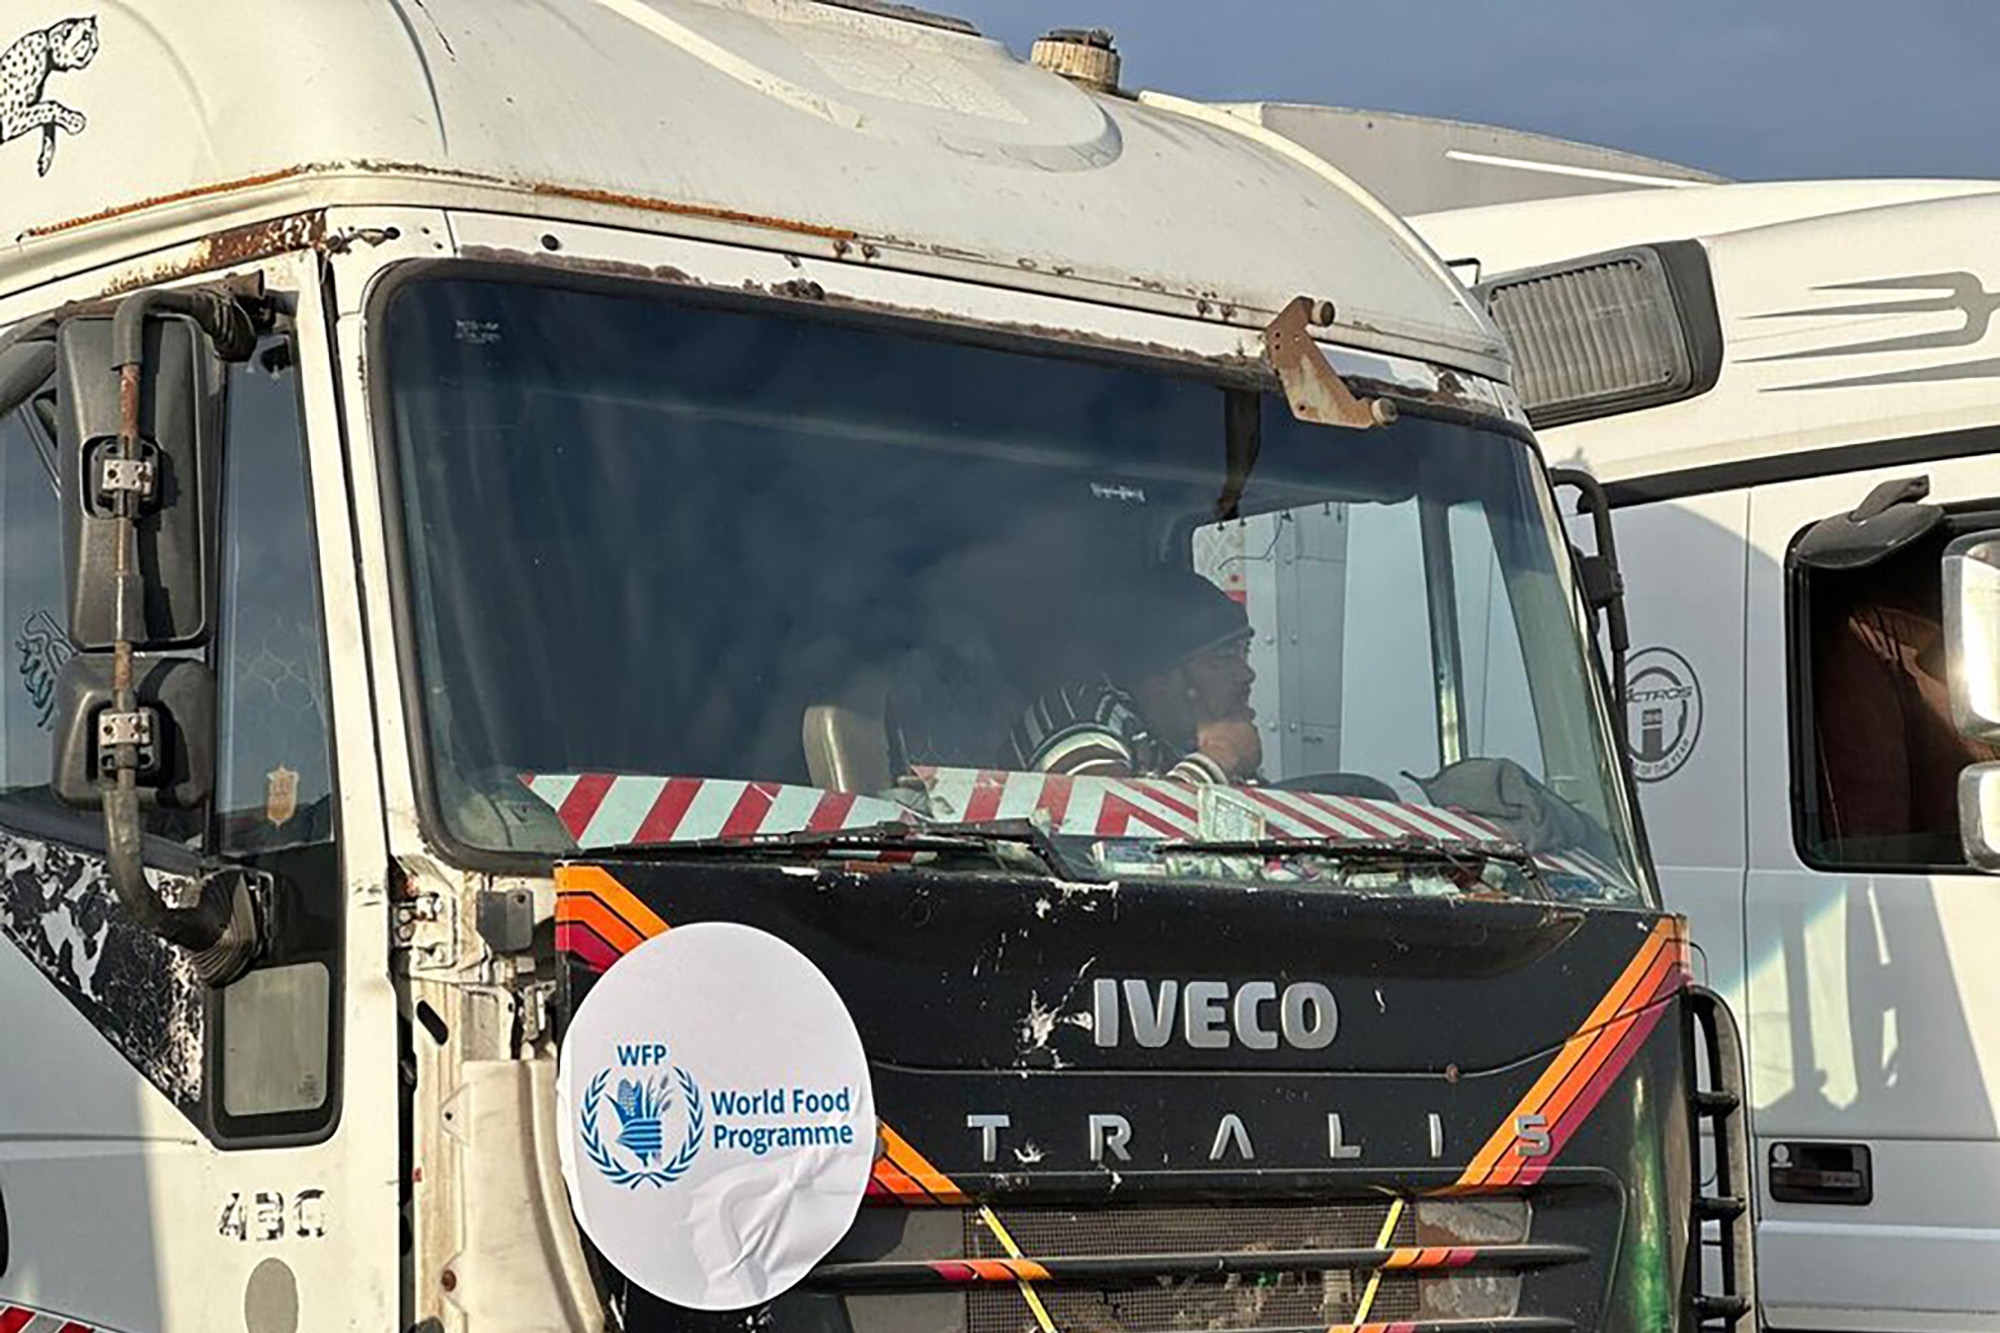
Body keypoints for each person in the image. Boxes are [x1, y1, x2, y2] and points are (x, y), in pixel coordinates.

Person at [1008, 566, 1262, 783]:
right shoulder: (1081, 720)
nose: (1246, 674)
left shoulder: (1175, 739)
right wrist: (1222, 755)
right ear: (1160, 676)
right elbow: (1110, 821)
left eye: (1245, 652)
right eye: (1223, 658)